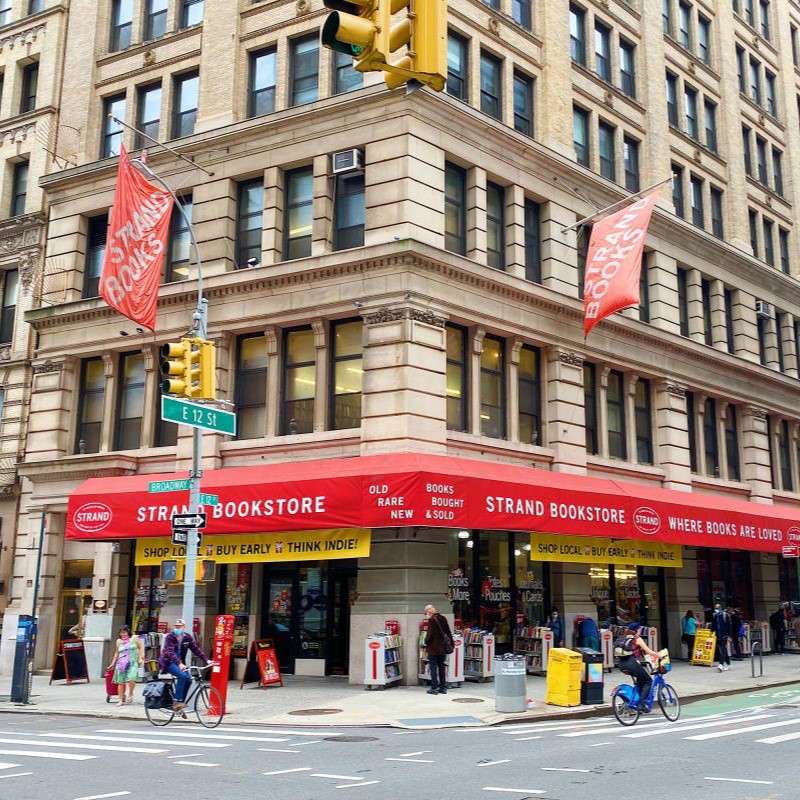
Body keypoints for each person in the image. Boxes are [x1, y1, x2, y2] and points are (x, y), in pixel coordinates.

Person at [157, 618, 214, 711]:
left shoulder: (187, 637)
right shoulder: (170, 637)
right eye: (176, 626)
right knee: (182, 676)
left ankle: (180, 703)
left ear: (184, 627)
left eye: (179, 626)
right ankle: (176, 701)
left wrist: (206, 660)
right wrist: (179, 664)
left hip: (180, 663)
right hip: (169, 662)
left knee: (189, 680)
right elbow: (170, 652)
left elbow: (196, 649)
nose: (177, 628)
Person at [617, 622, 661, 712]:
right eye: (640, 629)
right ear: (636, 630)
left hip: (621, 664)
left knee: (641, 680)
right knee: (648, 681)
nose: (640, 631)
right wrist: (660, 656)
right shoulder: (637, 639)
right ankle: (641, 704)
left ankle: (636, 702)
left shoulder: (623, 638)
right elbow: (649, 652)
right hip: (631, 664)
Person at [106, 624, 144, 706]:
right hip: (121, 663)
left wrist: (140, 658)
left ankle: (130, 692)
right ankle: (120, 700)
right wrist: (112, 663)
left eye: (125, 632)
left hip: (133, 662)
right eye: (121, 633)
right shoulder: (118, 641)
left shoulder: (134, 638)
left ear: (128, 632)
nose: (123, 634)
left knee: (132, 678)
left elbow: (140, 647)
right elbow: (117, 652)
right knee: (121, 682)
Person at [423, 605, 453, 695]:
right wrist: (451, 643)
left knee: (433, 666)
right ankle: (443, 687)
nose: (426, 615)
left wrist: (425, 640)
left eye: (426, 613)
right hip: (442, 647)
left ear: (429, 612)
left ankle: (434, 687)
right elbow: (448, 632)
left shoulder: (431, 620)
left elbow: (430, 634)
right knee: (441, 666)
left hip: (434, 648)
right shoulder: (443, 618)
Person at [711, 603, 732, 671]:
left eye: (717, 608)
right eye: (715, 608)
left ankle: (721, 664)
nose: (716, 609)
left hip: (724, 635)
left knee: (722, 649)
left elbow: (728, 626)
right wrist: (712, 631)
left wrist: (729, 636)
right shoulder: (714, 615)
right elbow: (714, 624)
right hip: (718, 635)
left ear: (720, 608)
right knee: (723, 650)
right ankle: (728, 663)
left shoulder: (724, 615)